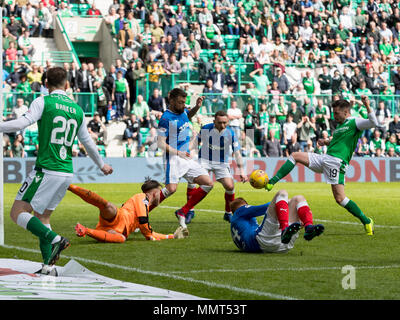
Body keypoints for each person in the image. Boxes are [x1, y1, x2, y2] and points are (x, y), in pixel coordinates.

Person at [0, 67, 113, 275]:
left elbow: (24, 122)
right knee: (42, 217)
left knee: (17, 213)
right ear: (68, 85)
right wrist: (102, 165)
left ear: (45, 84)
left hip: (46, 169)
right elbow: (87, 141)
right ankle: (49, 266)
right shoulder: (77, 110)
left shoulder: (43, 101)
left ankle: (56, 240)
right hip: (66, 172)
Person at [266, 97, 377, 236]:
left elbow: (374, 122)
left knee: (340, 199)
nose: (334, 116)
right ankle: (272, 181)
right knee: (295, 156)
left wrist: (367, 104)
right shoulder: (342, 125)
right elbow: (337, 140)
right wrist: (325, 142)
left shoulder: (355, 122)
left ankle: (366, 221)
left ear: (346, 112)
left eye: (336, 113)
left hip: (336, 162)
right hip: (326, 158)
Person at [156, 89, 213, 229]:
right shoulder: (165, 119)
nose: (183, 105)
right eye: (180, 102)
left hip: (186, 157)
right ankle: (142, 213)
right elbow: (160, 143)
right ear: (172, 101)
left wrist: (197, 107)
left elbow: (188, 114)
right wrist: (178, 153)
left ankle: (183, 211)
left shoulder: (182, 112)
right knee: (171, 189)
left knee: (208, 183)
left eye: (184, 102)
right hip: (173, 158)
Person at [70, 179, 181, 243]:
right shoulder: (141, 197)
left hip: (119, 230)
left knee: (121, 239)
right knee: (108, 206)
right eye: (160, 192)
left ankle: (85, 230)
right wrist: (148, 235)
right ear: (155, 193)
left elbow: (150, 233)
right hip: (118, 217)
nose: (160, 196)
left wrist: (171, 236)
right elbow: (143, 222)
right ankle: (69, 186)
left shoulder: (145, 204)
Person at [191, 110, 247, 223]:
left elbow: (237, 153)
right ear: (214, 121)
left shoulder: (231, 133)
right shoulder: (206, 128)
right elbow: (195, 143)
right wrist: (188, 155)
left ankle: (228, 213)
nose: (222, 125)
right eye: (220, 122)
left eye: (225, 123)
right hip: (204, 160)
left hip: (221, 162)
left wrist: (242, 170)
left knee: (230, 186)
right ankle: (189, 211)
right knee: (192, 182)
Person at [229, 189, 324, 253]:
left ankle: (309, 228)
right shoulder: (240, 211)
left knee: (297, 198)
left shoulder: (236, 224)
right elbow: (263, 208)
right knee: (283, 194)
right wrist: (288, 201)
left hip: (277, 245)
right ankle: (287, 229)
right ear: (245, 205)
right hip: (266, 242)